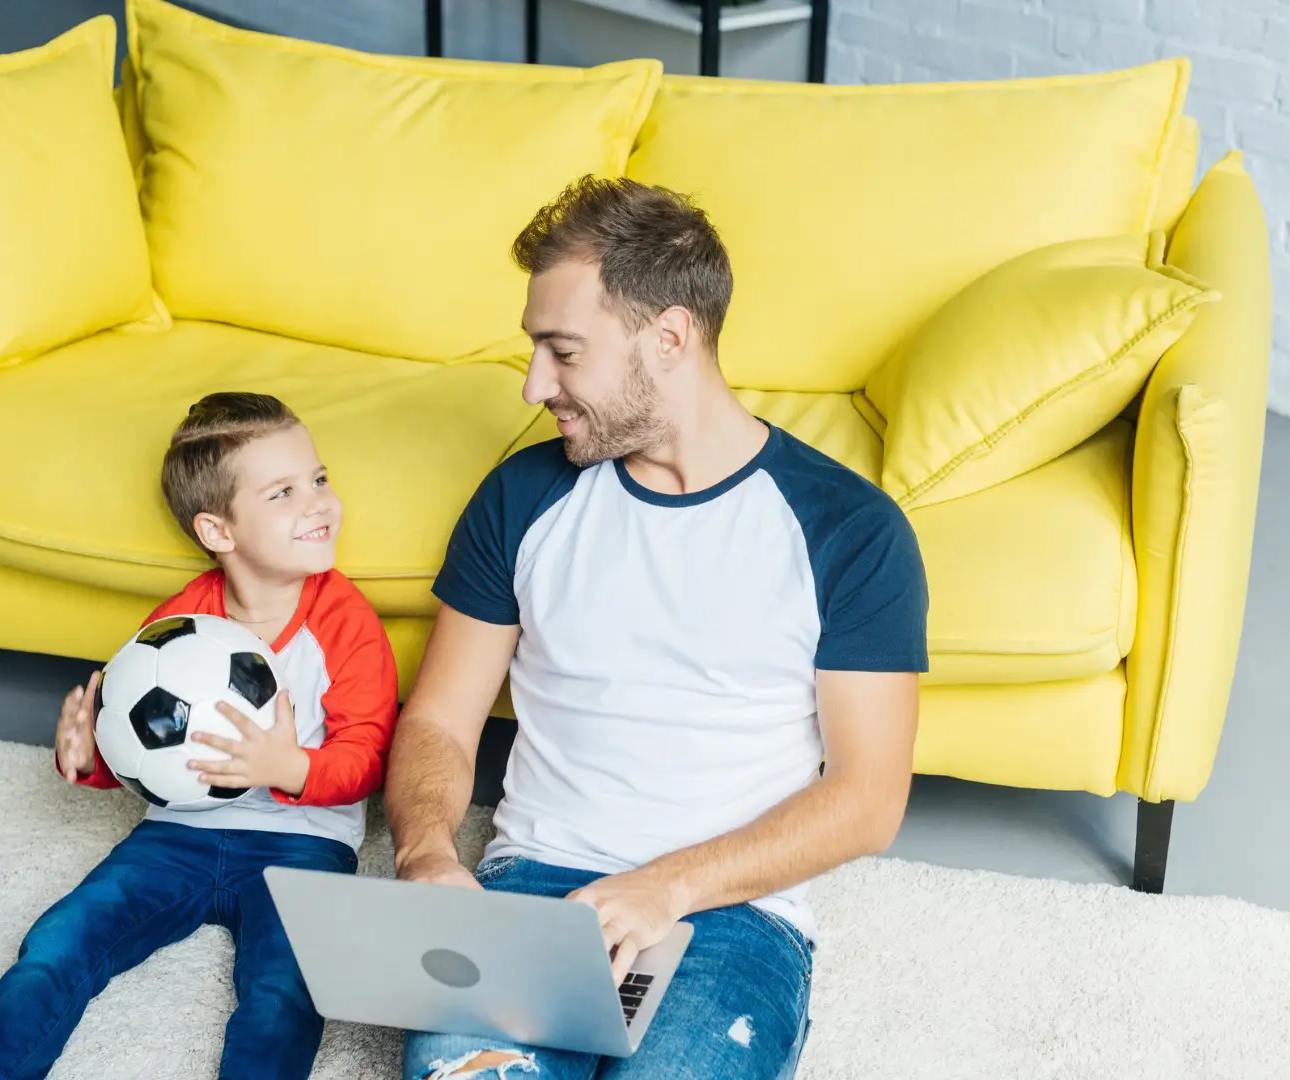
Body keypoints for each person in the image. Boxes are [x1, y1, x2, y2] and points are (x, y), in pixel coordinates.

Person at [385, 177, 929, 1080]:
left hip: (728, 911)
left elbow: (869, 797)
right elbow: (440, 721)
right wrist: (427, 856)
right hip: (532, 891)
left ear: (669, 338)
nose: (533, 386)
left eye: (562, 353)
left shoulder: (847, 528)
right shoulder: (524, 498)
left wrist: (663, 888)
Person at [0, 392, 398, 1080]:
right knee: (59, 941)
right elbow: (140, 751)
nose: (320, 502)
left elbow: (365, 760)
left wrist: (288, 765)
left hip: (302, 843)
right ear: (218, 531)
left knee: (283, 988)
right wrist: (86, 760)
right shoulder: (176, 628)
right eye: (284, 492)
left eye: (319, 479)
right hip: (177, 834)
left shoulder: (348, 624)